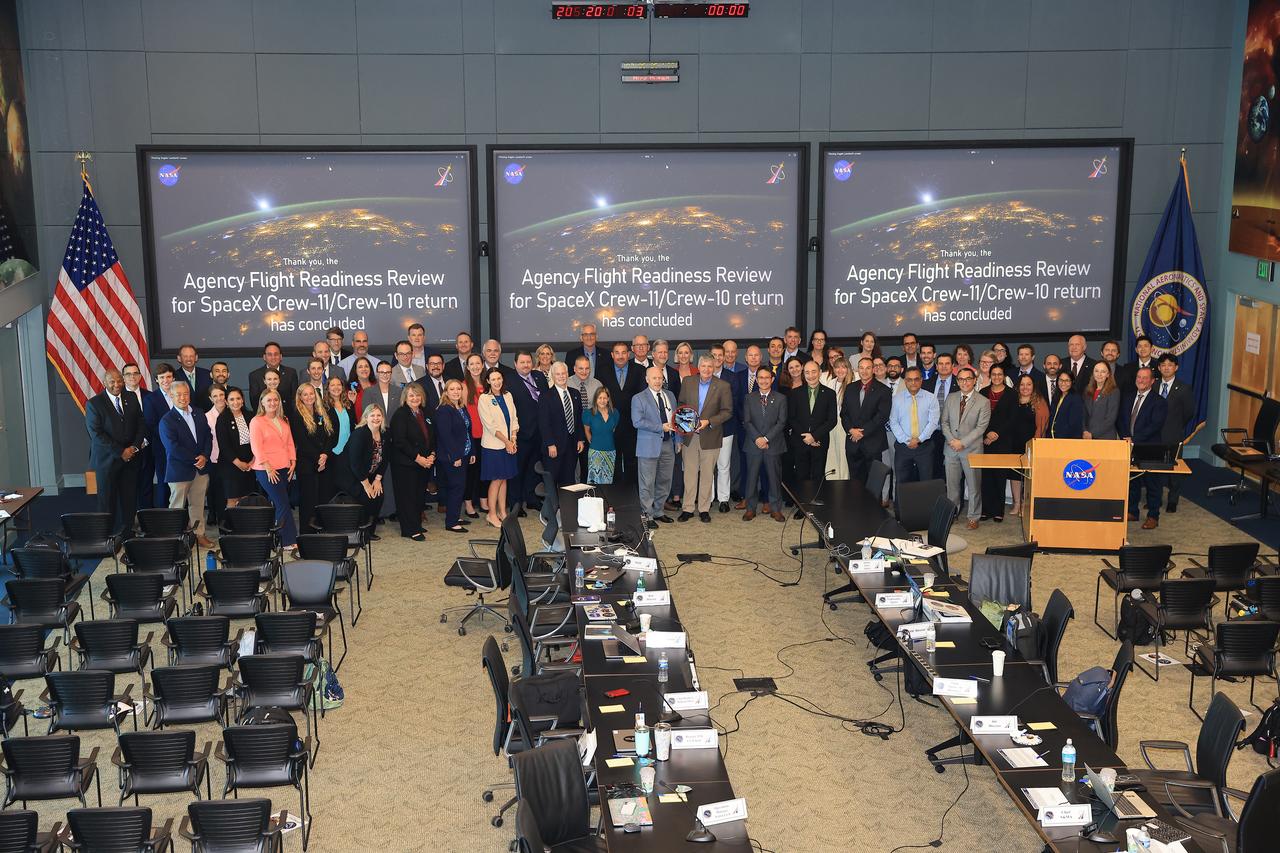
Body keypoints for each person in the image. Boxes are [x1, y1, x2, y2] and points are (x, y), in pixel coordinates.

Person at [86, 368, 145, 535]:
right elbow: (96, 434)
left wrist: (133, 447)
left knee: (129, 499)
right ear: (104, 383)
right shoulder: (94, 403)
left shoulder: (131, 397)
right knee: (106, 502)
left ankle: (128, 533)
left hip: (130, 459)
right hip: (107, 462)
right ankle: (106, 536)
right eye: (112, 381)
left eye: (119, 380)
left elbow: (141, 423)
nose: (117, 384)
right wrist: (121, 451)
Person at [677, 355, 733, 523]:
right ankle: (687, 508)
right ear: (698, 367)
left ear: (715, 366)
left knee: (708, 475)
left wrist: (709, 421)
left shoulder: (723, 386)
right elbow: (681, 405)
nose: (707, 369)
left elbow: (727, 411)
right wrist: (685, 425)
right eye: (704, 366)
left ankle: (703, 509)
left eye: (710, 366)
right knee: (690, 474)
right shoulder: (688, 382)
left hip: (711, 435)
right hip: (690, 437)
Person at [159, 382, 214, 548]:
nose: (183, 398)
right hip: (179, 470)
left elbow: (208, 437)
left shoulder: (198, 413)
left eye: (185, 394)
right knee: (176, 507)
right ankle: (173, 539)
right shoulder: (167, 420)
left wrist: (204, 456)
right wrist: (195, 459)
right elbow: (172, 447)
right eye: (179, 395)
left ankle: (199, 535)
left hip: (201, 469)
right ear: (171, 396)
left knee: (197, 504)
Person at [537, 362, 585, 549]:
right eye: (558, 374)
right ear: (552, 375)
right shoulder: (546, 396)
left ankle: (566, 515)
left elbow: (579, 419)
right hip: (554, 447)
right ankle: (548, 515)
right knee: (552, 482)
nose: (562, 376)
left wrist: (580, 439)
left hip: (572, 446)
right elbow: (544, 423)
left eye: (564, 373)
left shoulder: (574, 393)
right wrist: (550, 443)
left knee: (568, 483)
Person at [1118, 366, 1169, 529]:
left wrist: (1134, 439)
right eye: (1139, 377)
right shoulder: (1127, 397)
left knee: (1153, 484)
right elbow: (1121, 419)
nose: (1141, 380)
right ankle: (1132, 511)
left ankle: (1153, 516)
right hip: (1129, 446)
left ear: (1152, 381)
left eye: (1145, 378)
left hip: (1149, 447)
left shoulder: (1159, 401)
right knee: (1132, 481)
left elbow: (1155, 425)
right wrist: (1126, 437)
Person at [249, 389, 299, 552]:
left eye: (275, 400)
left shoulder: (283, 420)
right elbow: (256, 446)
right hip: (267, 469)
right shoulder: (257, 421)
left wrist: (293, 461)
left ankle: (275, 538)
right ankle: (287, 540)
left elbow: (290, 442)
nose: (273, 403)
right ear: (262, 402)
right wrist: (268, 467)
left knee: (280, 503)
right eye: (269, 400)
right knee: (282, 503)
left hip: (284, 467)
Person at [785, 360, 836, 516]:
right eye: (807, 372)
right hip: (800, 442)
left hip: (820, 441)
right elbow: (792, 418)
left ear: (820, 372)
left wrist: (814, 436)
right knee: (802, 474)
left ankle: (817, 506)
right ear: (803, 374)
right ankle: (802, 506)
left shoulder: (829, 393)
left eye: (814, 371)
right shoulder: (795, 393)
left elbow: (831, 420)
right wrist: (806, 437)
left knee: (818, 474)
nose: (811, 375)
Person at [942, 367, 989, 529]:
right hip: (951, 449)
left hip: (972, 450)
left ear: (974, 380)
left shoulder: (983, 401)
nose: (964, 382)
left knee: (974, 486)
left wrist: (962, 442)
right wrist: (952, 440)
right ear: (957, 381)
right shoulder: (951, 398)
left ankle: (973, 517)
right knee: (952, 485)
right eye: (961, 379)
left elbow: (981, 427)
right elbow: (944, 422)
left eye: (968, 379)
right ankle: (952, 514)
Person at [389, 382, 436, 541]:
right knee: (407, 496)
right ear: (405, 398)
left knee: (418, 495)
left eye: (417, 395)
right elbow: (400, 442)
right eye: (411, 395)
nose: (415, 398)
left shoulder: (425, 412)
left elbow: (433, 436)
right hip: (406, 463)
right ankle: (409, 529)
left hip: (424, 463)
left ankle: (415, 523)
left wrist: (432, 455)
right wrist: (419, 458)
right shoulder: (400, 415)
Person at [632, 366, 677, 526]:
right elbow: (637, 422)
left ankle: (658, 511)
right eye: (654, 378)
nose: (658, 381)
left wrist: (677, 441)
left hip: (668, 444)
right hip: (648, 446)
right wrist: (660, 427)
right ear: (647, 379)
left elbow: (676, 420)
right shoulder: (638, 398)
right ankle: (647, 515)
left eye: (660, 378)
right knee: (647, 483)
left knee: (665, 480)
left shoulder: (670, 395)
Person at [742, 366, 787, 522]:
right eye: (760, 378)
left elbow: (781, 423)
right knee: (752, 478)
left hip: (773, 444)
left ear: (772, 379)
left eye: (767, 377)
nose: (763, 380)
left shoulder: (781, 398)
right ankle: (750, 508)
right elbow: (746, 422)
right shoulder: (749, 398)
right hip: (753, 444)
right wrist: (758, 439)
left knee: (774, 478)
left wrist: (766, 439)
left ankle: (776, 509)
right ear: (756, 380)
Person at [290, 384, 336, 536]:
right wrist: (318, 458)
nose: (309, 397)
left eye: (311, 394)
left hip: (325, 462)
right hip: (307, 464)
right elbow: (302, 442)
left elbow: (330, 435)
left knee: (323, 498)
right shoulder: (296, 415)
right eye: (305, 395)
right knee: (309, 501)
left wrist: (325, 455)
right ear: (300, 397)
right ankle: (308, 534)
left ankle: (322, 531)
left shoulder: (322, 411)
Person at [478, 369, 518, 529]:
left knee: (505, 478)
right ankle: (491, 514)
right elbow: (490, 426)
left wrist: (513, 439)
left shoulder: (508, 395)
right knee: (496, 480)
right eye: (493, 379)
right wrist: (507, 442)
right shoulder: (484, 398)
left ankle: (502, 512)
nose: (497, 382)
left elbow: (514, 419)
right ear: (487, 381)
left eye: (499, 378)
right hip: (494, 446)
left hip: (509, 443)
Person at [841, 357, 891, 485]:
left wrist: (861, 433)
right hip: (853, 444)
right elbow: (844, 414)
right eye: (861, 368)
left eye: (868, 368)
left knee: (874, 483)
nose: (864, 371)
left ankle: (873, 506)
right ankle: (856, 505)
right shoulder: (850, 388)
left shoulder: (883, 390)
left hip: (872, 444)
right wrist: (851, 430)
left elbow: (881, 417)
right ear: (858, 370)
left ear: (873, 369)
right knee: (855, 483)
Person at [508, 351, 547, 514]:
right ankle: (516, 504)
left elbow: (546, 401)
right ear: (515, 364)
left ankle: (531, 499)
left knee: (534, 469)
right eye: (522, 362)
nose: (526, 365)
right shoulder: (509, 381)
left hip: (540, 433)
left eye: (528, 362)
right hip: (521, 434)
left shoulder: (539, 376)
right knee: (518, 471)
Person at [1156, 353, 1196, 512]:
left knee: (1175, 470)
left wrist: (1176, 425)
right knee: (1155, 468)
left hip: (1174, 434)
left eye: (1170, 365)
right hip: (1155, 435)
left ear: (1176, 367)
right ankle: (1155, 497)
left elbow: (1189, 413)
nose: (1166, 368)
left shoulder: (1184, 388)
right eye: (1163, 365)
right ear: (1159, 368)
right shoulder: (1153, 384)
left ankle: (1173, 500)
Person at [435, 378, 474, 534]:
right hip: (452, 457)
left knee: (459, 487)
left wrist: (472, 452)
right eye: (452, 389)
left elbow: (467, 432)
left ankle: (455, 516)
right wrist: (456, 456)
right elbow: (446, 436)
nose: (456, 392)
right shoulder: (444, 410)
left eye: (458, 389)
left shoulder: (461, 407)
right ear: (446, 392)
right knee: (456, 488)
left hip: (464, 454)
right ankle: (451, 522)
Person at [889, 367, 939, 485]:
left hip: (924, 447)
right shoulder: (896, 399)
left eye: (916, 379)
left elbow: (933, 423)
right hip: (903, 447)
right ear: (905, 381)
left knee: (926, 482)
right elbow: (893, 422)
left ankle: (926, 504)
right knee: (902, 482)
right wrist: (907, 441)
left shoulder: (931, 398)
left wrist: (919, 439)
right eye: (909, 379)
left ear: (921, 380)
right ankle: (902, 504)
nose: (913, 383)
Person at [979, 365, 1016, 522]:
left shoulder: (1012, 394)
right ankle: (986, 510)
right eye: (993, 374)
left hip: (1003, 440)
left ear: (1004, 375)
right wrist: (987, 433)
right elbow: (978, 416)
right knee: (986, 477)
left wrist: (996, 434)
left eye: (999, 374)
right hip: (985, 440)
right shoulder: (982, 392)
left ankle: (998, 510)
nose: (996, 377)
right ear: (990, 375)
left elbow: (1013, 419)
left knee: (999, 477)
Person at [603, 342, 643, 484]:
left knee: (632, 463)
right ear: (612, 355)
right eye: (617, 353)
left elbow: (643, 398)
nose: (620, 356)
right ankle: (615, 499)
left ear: (629, 354)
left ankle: (631, 497)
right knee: (613, 463)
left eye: (623, 353)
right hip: (610, 425)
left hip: (633, 426)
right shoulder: (603, 370)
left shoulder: (639, 370)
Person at [1008, 374, 1046, 517]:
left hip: (1031, 444)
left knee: (1028, 476)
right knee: (1015, 475)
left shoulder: (1039, 402)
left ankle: (1025, 504)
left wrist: (1035, 444)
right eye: (1022, 384)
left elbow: (1042, 426)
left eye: (1028, 384)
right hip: (1013, 443)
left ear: (1033, 386)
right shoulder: (1013, 400)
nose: (1025, 387)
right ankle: (1017, 503)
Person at [143, 363, 178, 508]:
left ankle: (181, 517)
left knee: (181, 484)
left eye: (168, 376)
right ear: (156, 380)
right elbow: (151, 425)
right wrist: (171, 439)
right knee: (164, 483)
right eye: (162, 377)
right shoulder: (151, 399)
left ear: (173, 378)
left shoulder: (181, 394)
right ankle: (164, 518)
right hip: (162, 448)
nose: (166, 380)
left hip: (182, 448)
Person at [215, 387, 256, 505]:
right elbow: (224, 445)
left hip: (249, 464)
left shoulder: (251, 416)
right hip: (230, 466)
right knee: (232, 499)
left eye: (238, 398)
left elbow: (256, 440)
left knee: (246, 498)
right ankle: (232, 523)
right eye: (231, 399)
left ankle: (245, 523)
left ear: (243, 400)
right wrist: (238, 463)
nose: (235, 402)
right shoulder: (222, 419)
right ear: (226, 402)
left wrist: (253, 460)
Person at [463, 353, 488, 516]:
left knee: (485, 471)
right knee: (471, 473)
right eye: (471, 364)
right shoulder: (464, 386)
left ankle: (484, 500)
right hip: (472, 436)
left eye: (478, 363)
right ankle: (469, 504)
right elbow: (463, 413)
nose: (475, 367)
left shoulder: (488, 385)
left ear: (482, 364)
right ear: (467, 367)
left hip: (488, 436)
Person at [326, 376, 357, 500]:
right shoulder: (324, 406)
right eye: (332, 385)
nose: (336, 388)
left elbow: (353, 425)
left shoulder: (348, 404)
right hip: (333, 451)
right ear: (328, 388)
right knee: (333, 486)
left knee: (347, 485)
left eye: (338, 385)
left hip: (348, 452)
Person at [822, 356, 853, 480]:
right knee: (832, 452)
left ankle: (845, 480)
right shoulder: (830, 383)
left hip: (846, 423)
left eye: (843, 367)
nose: (840, 370)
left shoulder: (853, 384)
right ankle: (833, 480)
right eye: (837, 367)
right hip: (831, 422)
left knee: (844, 454)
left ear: (848, 368)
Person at [248, 341, 299, 410]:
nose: (273, 357)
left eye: (276, 354)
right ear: (264, 357)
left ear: (281, 356)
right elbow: (254, 402)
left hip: (287, 417)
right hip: (264, 417)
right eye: (269, 354)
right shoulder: (255, 375)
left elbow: (295, 399)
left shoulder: (291, 373)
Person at [203, 384, 228, 523]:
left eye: (221, 395)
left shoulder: (234, 412)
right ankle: (216, 516)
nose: (219, 398)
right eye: (215, 396)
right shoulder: (206, 417)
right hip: (214, 459)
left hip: (232, 460)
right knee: (216, 490)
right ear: (210, 399)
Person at [584, 387, 619, 485]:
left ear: (608, 399)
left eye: (604, 398)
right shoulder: (588, 413)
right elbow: (587, 431)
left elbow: (612, 429)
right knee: (594, 481)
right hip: (595, 452)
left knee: (608, 481)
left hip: (610, 452)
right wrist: (595, 443)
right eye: (600, 398)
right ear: (596, 399)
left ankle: (605, 500)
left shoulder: (615, 413)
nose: (602, 401)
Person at [1083, 361, 1120, 440]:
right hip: (1087, 437)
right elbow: (1084, 414)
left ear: (1108, 374)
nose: (1099, 374)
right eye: (1096, 371)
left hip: (1105, 437)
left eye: (1103, 372)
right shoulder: (1088, 390)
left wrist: (1092, 434)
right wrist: (1084, 431)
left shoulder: (1114, 391)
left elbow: (1111, 419)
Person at [175, 345, 213, 411]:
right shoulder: (174, 376)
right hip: (184, 416)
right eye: (185, 356)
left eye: (191, 356)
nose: (189, 359)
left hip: (206, 416)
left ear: (196, 357)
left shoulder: (207, 374)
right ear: (179, 358)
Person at [1048, 372, 1084, 439]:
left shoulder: (1076, 398)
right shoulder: (1056, 397)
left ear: (1072, 382)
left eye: (1067, 380)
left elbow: (1075, 425)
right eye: (1061, 380)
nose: (1063, 383)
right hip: (1053, 439)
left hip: (1067, 441)